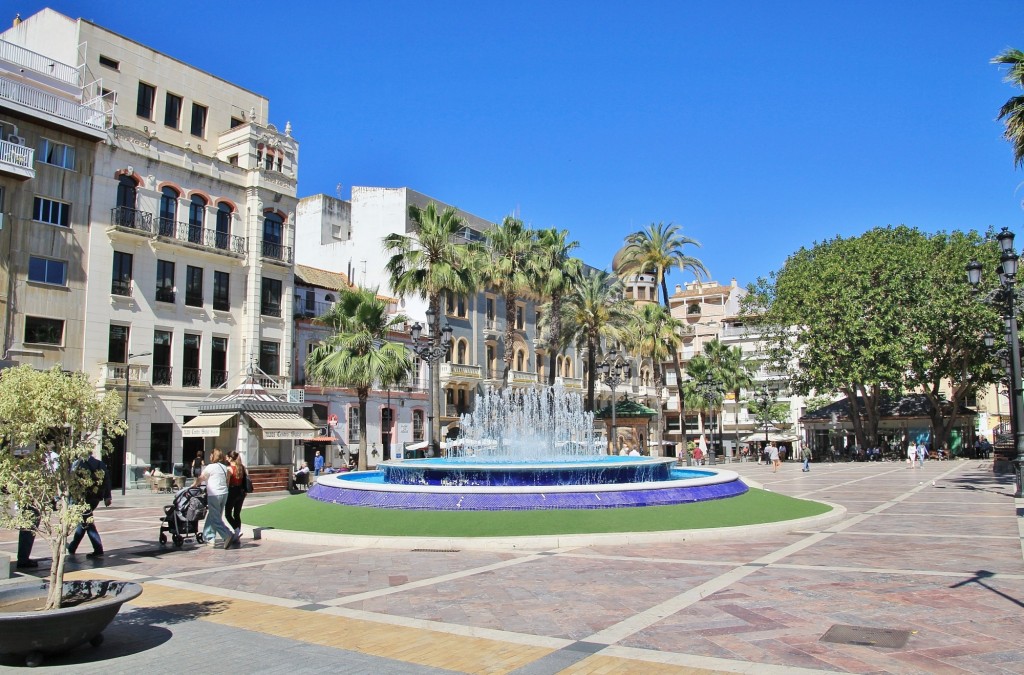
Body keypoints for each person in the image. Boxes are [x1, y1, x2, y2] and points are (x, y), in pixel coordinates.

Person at [67, 453, 113, 559]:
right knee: (85, 522)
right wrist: (107, 497)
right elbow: (106, 481)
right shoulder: (99, 464)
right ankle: (72, 547)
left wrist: (69, 501)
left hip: (82, 497)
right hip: (96, 497)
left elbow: (71, 483)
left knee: (88, 523)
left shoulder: (76, 464)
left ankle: (98, 548)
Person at [191, 448, 238, 549]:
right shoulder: (224, 467)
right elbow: (227, 481)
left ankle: (227, 535)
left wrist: (194, 485)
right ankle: (209, 537)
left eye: (211, 455)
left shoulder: (210, 467)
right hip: (224, 493)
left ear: (213, 456)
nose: (209, 456)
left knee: (215, 517)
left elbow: (201, 477)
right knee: (214, 515)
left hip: (214, 494)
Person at [224, 450, 247, 540]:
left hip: (232, 491)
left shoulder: (229, 469)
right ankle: (237, 533)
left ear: (230, 458)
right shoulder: (242, 467)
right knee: (237, 514)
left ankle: (237, 530)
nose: (226, 458)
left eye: (227, 457)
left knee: (228, 513)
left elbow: (227, 483)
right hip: (241, 492)